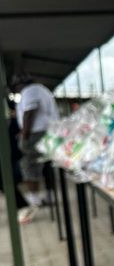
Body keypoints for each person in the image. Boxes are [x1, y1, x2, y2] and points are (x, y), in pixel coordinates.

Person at [9, 73, 59, 223]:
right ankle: (49, 195)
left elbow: (29, 113)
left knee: (29, 164)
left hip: (36, 133)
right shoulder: (42, 89)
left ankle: (34, 200)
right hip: (47, 131)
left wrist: (24, 135)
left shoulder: (30, 91)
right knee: (46, 165)